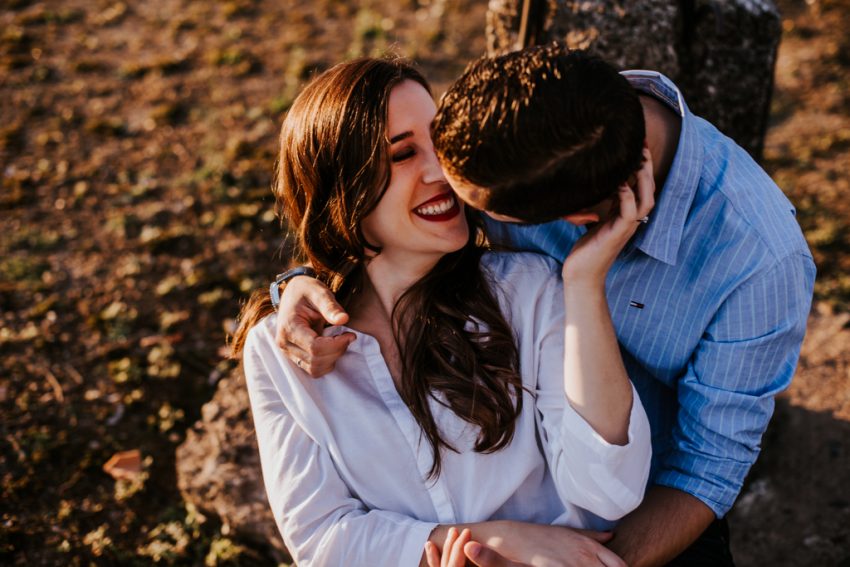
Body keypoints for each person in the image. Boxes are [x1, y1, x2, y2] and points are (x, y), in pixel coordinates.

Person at [274, 44, 816, 566]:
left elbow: (703, 471)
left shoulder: (761, 260)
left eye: (474, 206)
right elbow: (365, 195)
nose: (441, 180)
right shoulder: (523, 125)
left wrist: (567, 563)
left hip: (646, 506)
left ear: (577, 219)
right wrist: (312, 275)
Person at [232, 56, 654, 567]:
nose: (441, 172)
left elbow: (609, 491)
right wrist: (490, 540)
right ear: (342, 188)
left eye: (439, 142)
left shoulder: (529, 290)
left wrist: (584, 282)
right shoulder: (280, 348)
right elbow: (321, 541)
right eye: (404, 153)